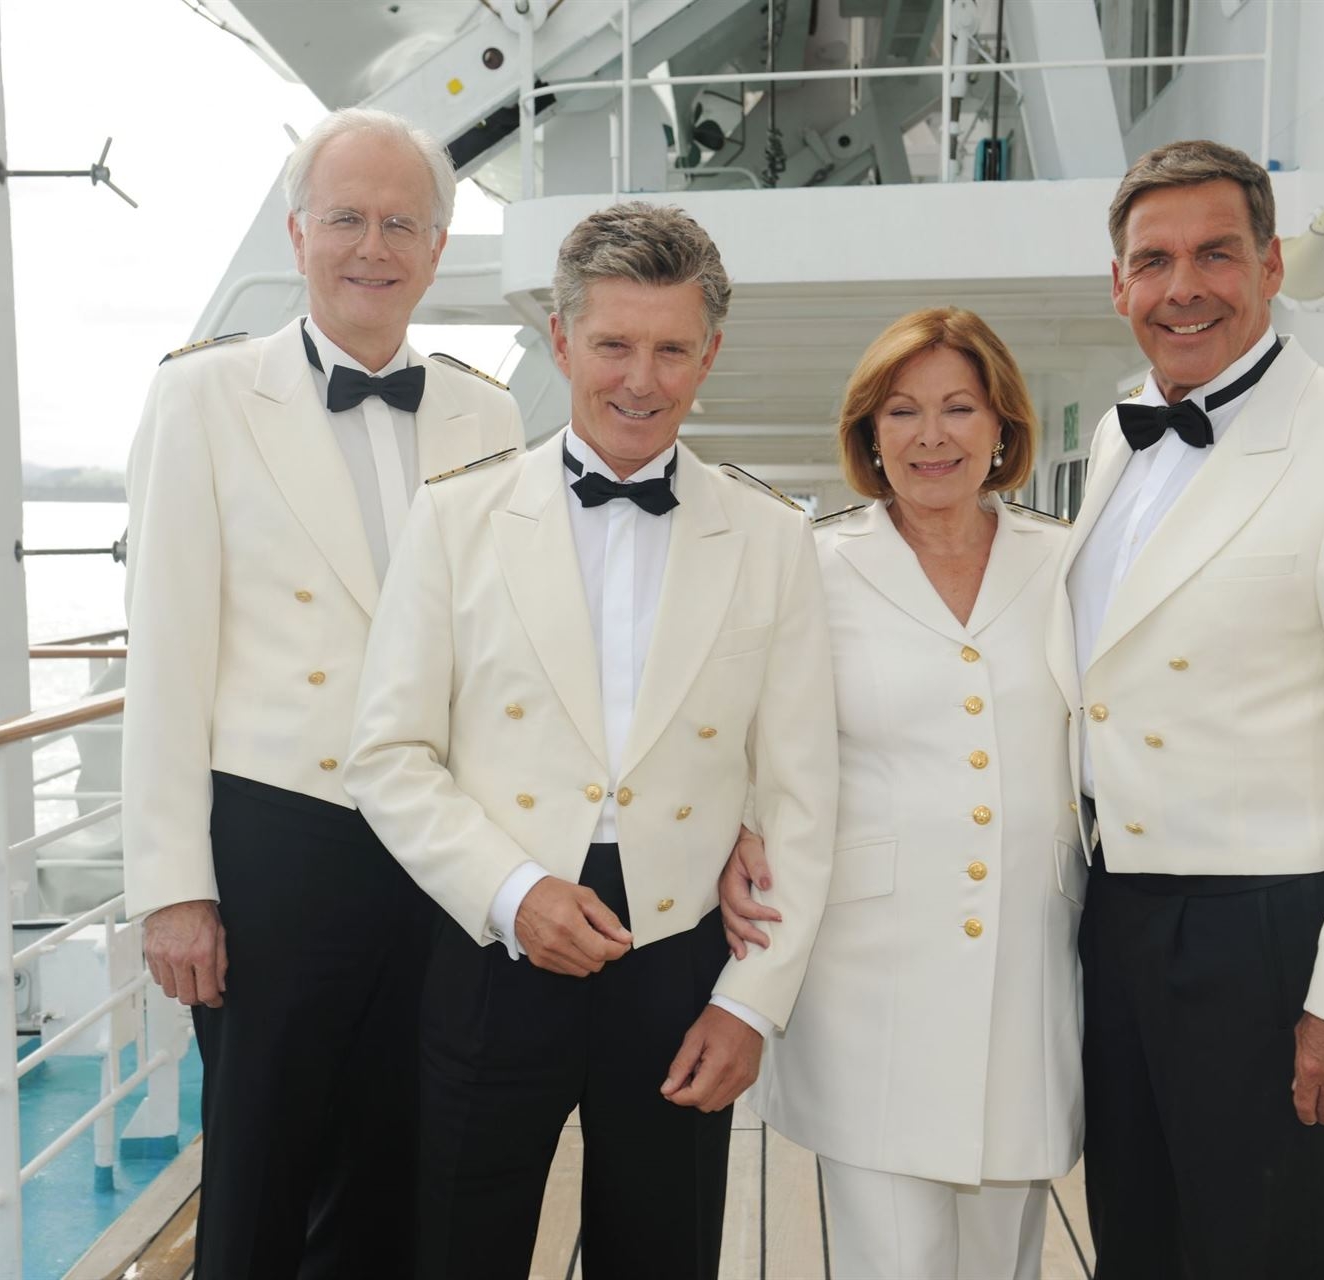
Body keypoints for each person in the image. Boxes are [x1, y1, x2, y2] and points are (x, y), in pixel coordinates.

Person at [343, 201, 838, 1280]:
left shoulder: (772, 536)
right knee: (458, 1252)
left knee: (663, 1256)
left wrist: (750, 1003)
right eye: (614, 344)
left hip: (681, 952)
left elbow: (804, 792)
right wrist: (512, 891)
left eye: (672, 349)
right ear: (562, 341)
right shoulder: (457, 518)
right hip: (494, 937)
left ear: (710, 354)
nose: (641, 381)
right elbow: (387, 754)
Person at [1047, 139, 1324, 1278]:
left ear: (1273, 265)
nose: (1183, 288)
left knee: (1271, 1251)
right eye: (1154, 261)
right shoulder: (1119, 432)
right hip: (1117, 912)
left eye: (1217, 254)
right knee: (1139, 1239)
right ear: (1119, 284)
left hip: (1267, 934)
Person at [120, 106, 524, 1277]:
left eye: (402, 223)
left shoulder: (488, 411)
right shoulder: (204, 397)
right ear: (298, 234)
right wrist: (174, 888)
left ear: (436, 249)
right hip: (275, 843)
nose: (372, 247)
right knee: (258, 1173)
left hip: (438, 847)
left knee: (402, 1166)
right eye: (346, 218)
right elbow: (166, 655)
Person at [721, 308, 1083, 1279]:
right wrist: (738, 831)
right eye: (902, 411)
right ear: (868, 434)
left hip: (1027, 973)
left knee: (1005, 1262)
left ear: (1002, 424)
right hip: (870, 982)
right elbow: (751, 733)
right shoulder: (813, 566)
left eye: (959, 407)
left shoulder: (1066, 563)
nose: (932, 436)